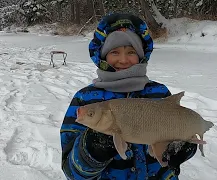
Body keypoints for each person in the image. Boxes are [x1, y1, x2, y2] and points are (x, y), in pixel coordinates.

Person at [60, 13, 197, 180]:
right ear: (102, 56)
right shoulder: (85, 99)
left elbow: (183, 134)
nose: (123, 60)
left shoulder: (159, 93)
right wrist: (90, 150)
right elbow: (71, 172)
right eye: (115, 52)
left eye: (131, 51)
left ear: (141, 55)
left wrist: (184, 148)